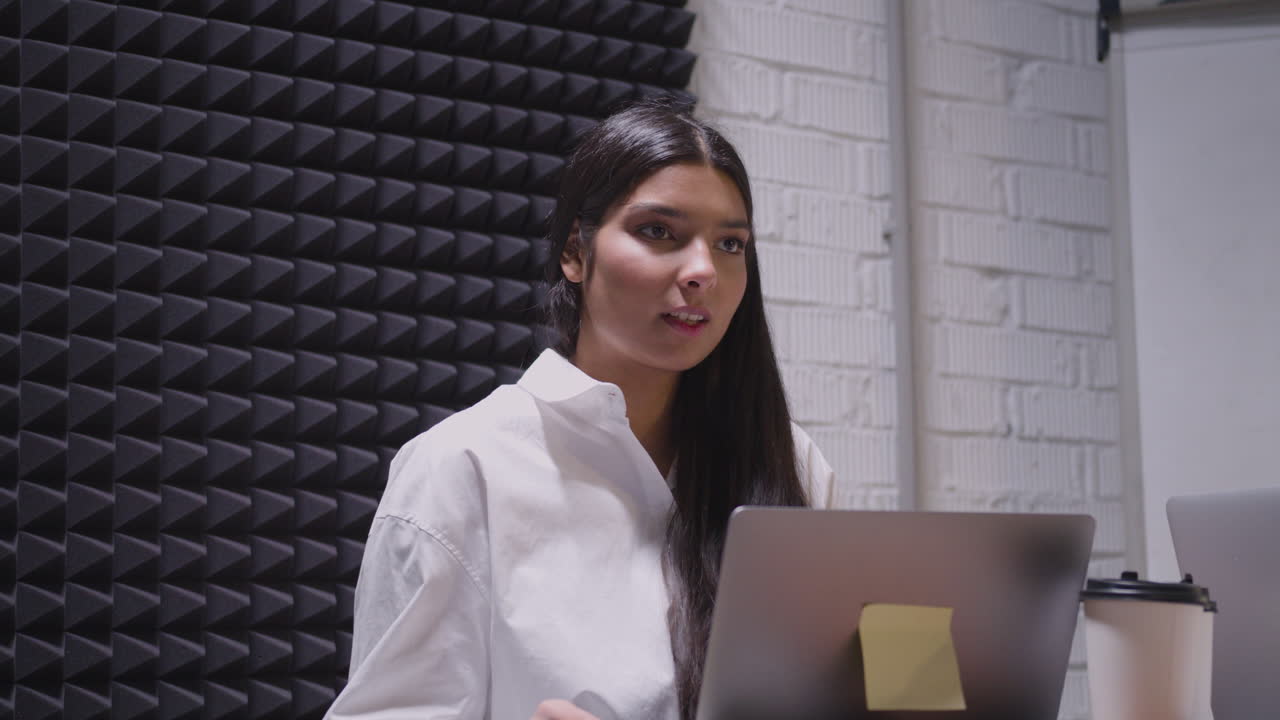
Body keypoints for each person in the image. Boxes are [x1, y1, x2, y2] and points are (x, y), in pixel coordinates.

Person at [324, 99, 838, 720]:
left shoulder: (794, 465)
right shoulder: (463, 469)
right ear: (575, 251)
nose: (704, 269)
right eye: (659, 232)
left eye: (730, 243)